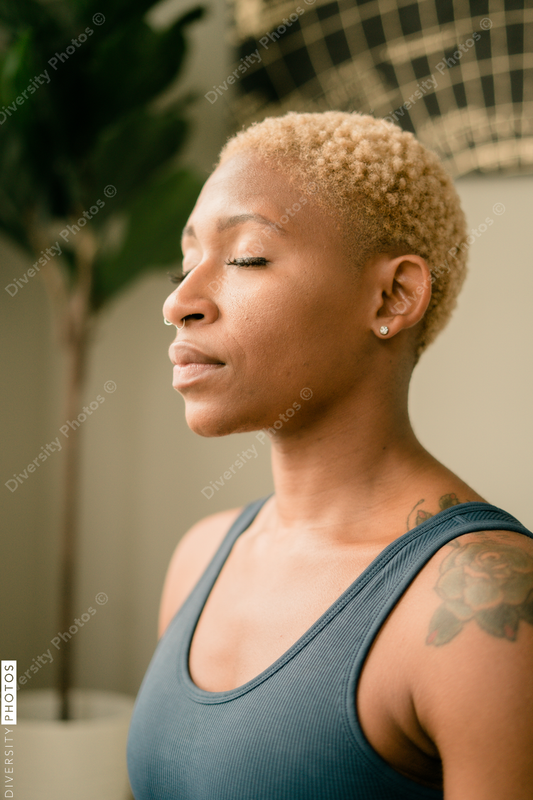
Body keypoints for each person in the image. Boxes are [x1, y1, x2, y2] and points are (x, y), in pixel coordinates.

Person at [127, 111, 533, 799]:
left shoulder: (486, 601)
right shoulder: (200, 555)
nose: (178, 302)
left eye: (245, 257)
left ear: (393, 295)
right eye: (184, 261)